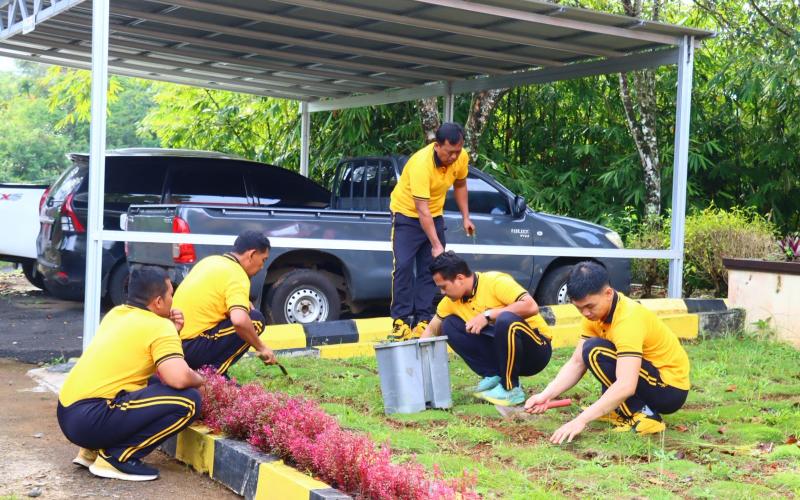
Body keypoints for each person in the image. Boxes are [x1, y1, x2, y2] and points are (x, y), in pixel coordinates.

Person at [57, 266, 203, 481]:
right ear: (158, 302)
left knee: (152, 383)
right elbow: (178, 378)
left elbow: (138, 361)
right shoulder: (159, 326)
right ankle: (118, 458)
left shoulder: (116, 314)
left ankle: (93, 450)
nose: (173, 299)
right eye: (171, 293)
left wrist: (173, 331)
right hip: (90, 419)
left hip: (68, 413)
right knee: (189, 400)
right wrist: (200, 380)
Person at [525, 261, 691, 442]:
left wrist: (581, 420)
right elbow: (576, 363)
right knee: (591, 351)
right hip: (649, 379)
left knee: (595, 351)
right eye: (579, 308)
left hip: (669, 389)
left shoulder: (628, 318)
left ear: (608, 293)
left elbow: (626, 384)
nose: (586, 313)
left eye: (590, 306)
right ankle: (617, 409)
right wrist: (545, 396)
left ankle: (645, 415)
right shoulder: (593, 315)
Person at [420, 251, 552, 406]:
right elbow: (431, 331)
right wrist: (413, 364)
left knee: (505, 319)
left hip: (535, 351)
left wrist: (488, 315)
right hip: (503, 355)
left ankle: (510, 389)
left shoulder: (495, 281)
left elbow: (531, 306)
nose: (442, 292)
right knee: (449, 325)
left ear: (460, 278)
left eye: (444, 287)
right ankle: (493, 375)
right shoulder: (450, 302)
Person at [388, 122, 475, 341]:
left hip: (434, 216)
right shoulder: (420, 164)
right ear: (437, 146)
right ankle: (400, 321)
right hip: (407, 216)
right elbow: (421, 209)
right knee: (404, 266)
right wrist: (436, 245)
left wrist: (466, 217)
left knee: (432, 269)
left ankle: (423, 319)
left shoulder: (461, 156)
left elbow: (461, 184)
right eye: (450, 152)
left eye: (458, 151)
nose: (455, 157)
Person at [173, 230, 276, 375]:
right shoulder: (238, 274)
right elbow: (239, 320)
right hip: (192, 346)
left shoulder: (210, 261)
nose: (261, 267)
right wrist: (262, 348)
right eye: (263, 260)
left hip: (174, 345)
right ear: (252, 255)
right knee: (255, 321)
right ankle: (212, 379)